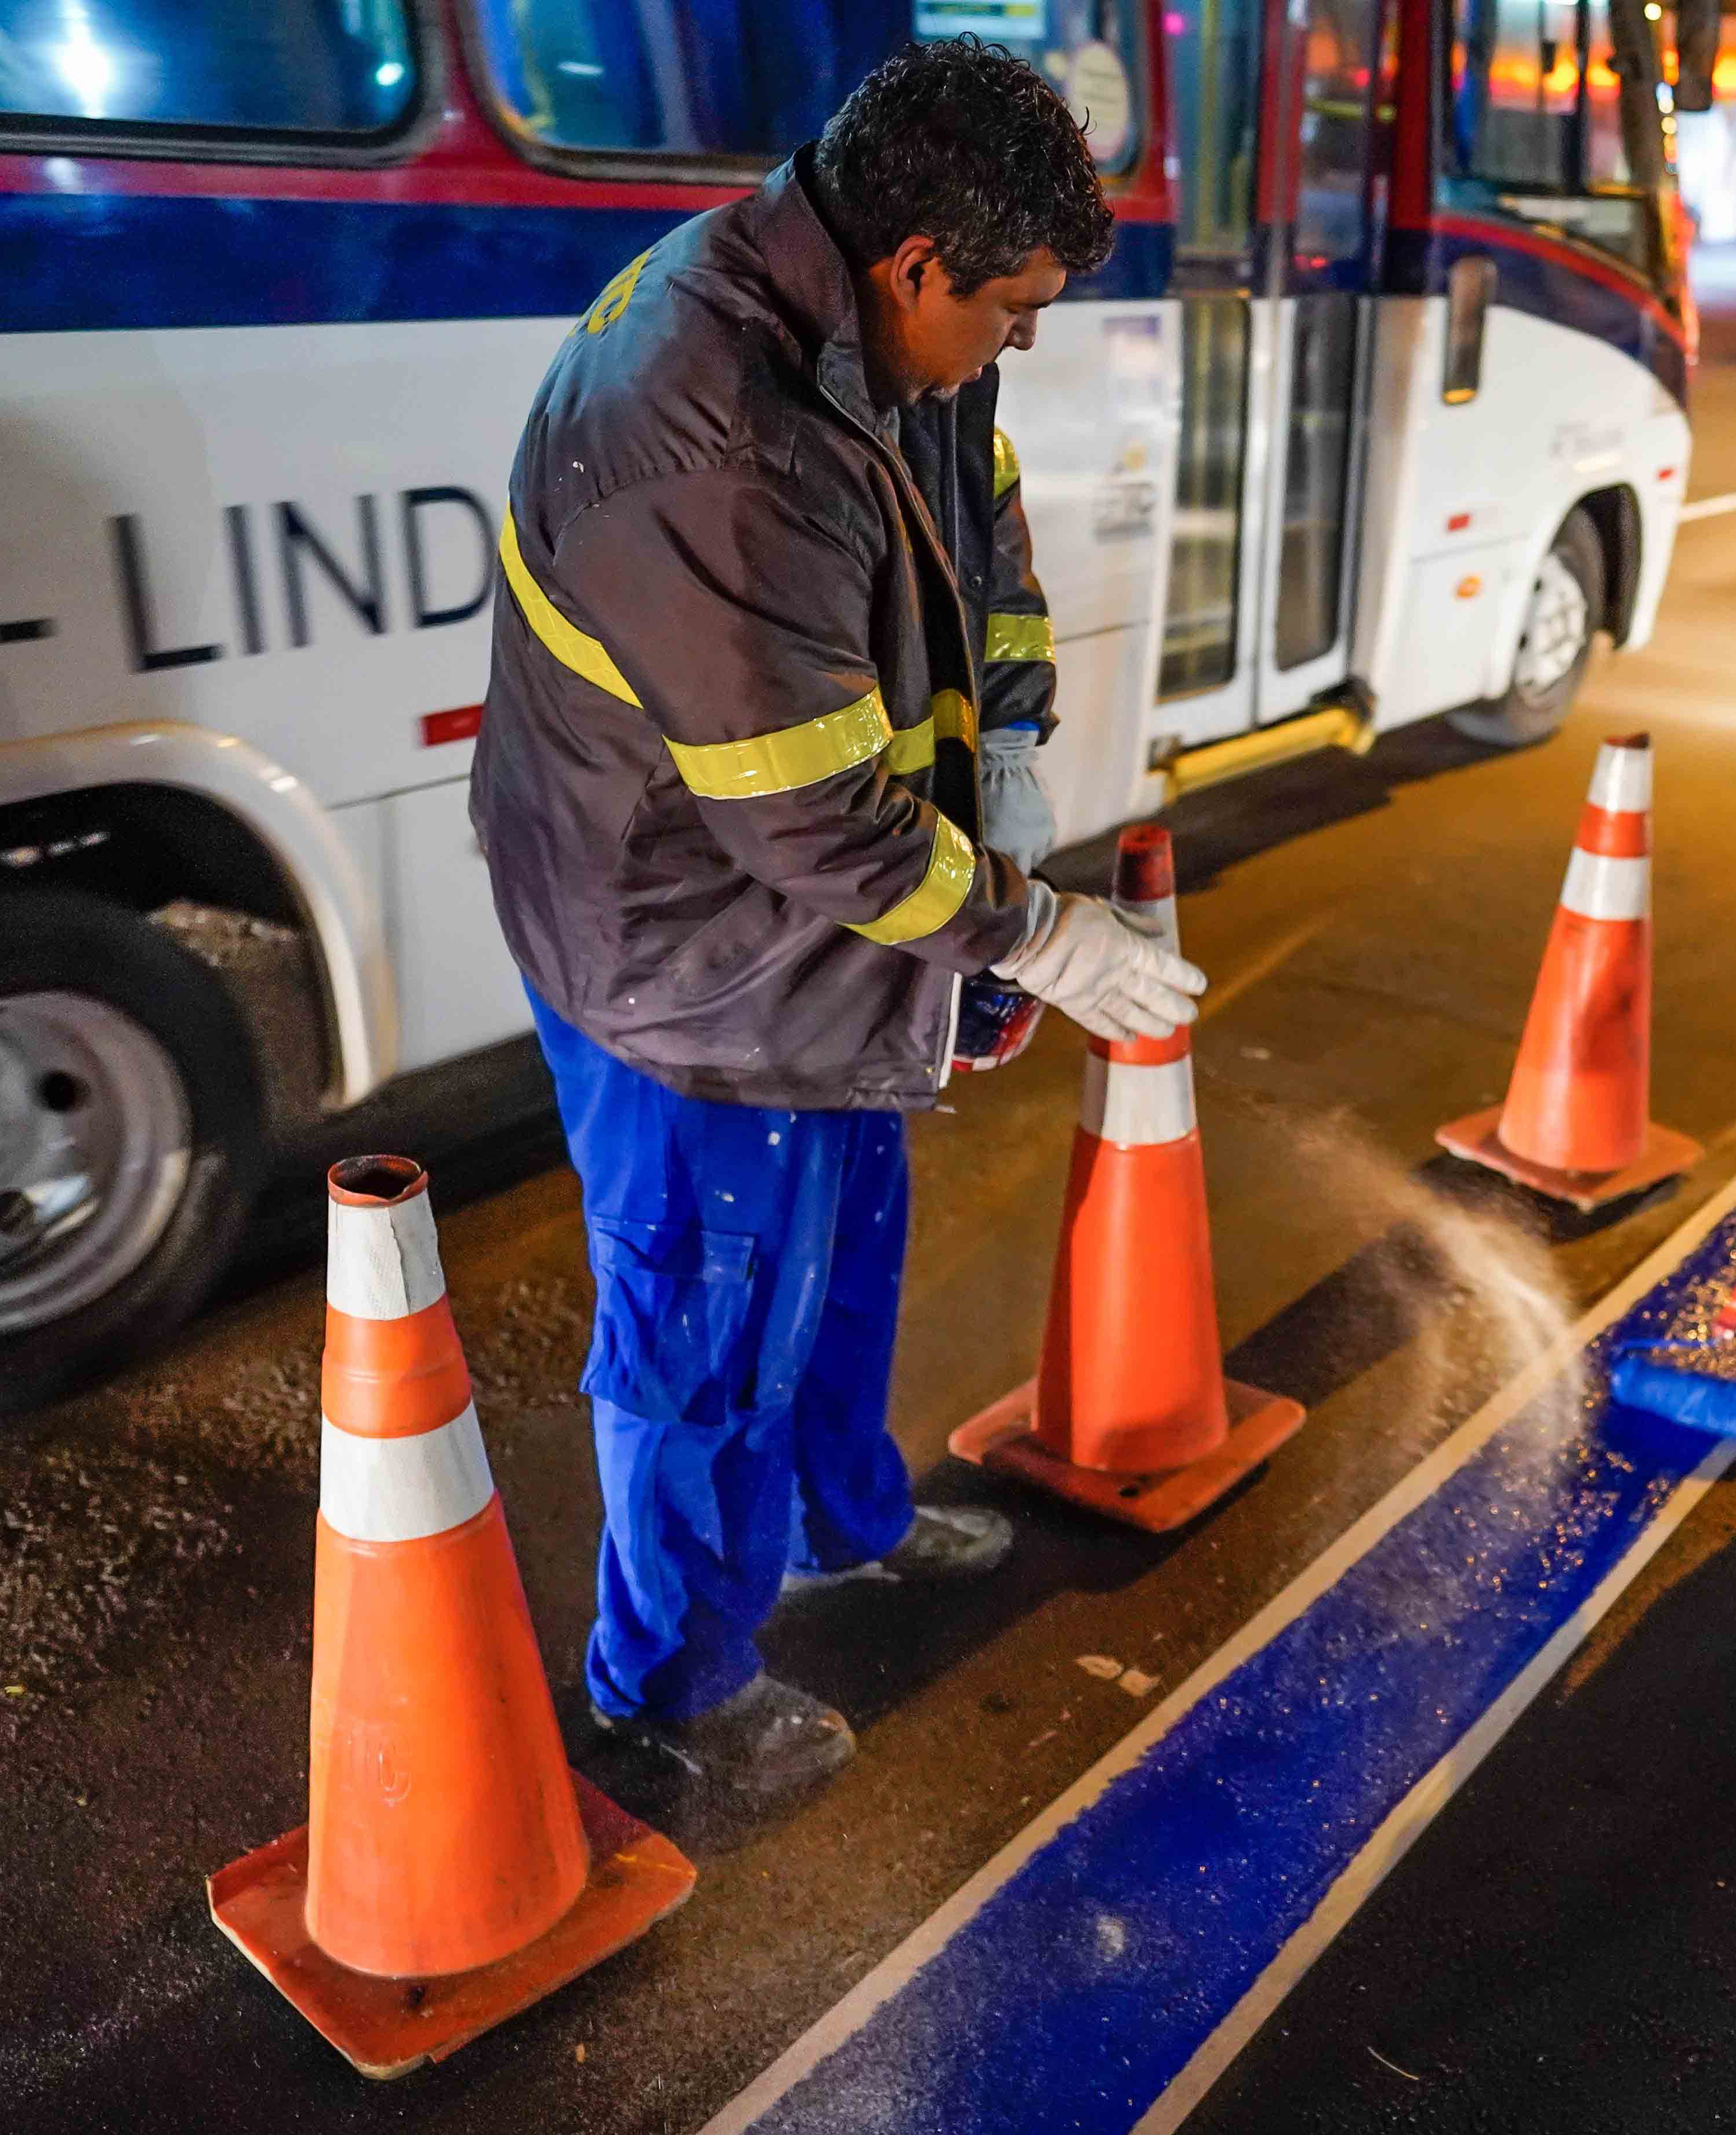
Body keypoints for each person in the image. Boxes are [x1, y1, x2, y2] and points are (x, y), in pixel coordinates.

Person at [472, 42, 1206, 1795]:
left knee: (841, 1249)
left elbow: (985, 549)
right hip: (685, 964)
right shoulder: (712, 426)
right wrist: (1041, 935)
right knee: (706, 1329)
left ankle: (839, 1523)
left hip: (817, 947)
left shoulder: (881, 337)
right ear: (916, 264)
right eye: (1012, 309)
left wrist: (1010, 742)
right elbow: (812, 816)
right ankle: (675, 1690)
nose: (1017, 344)